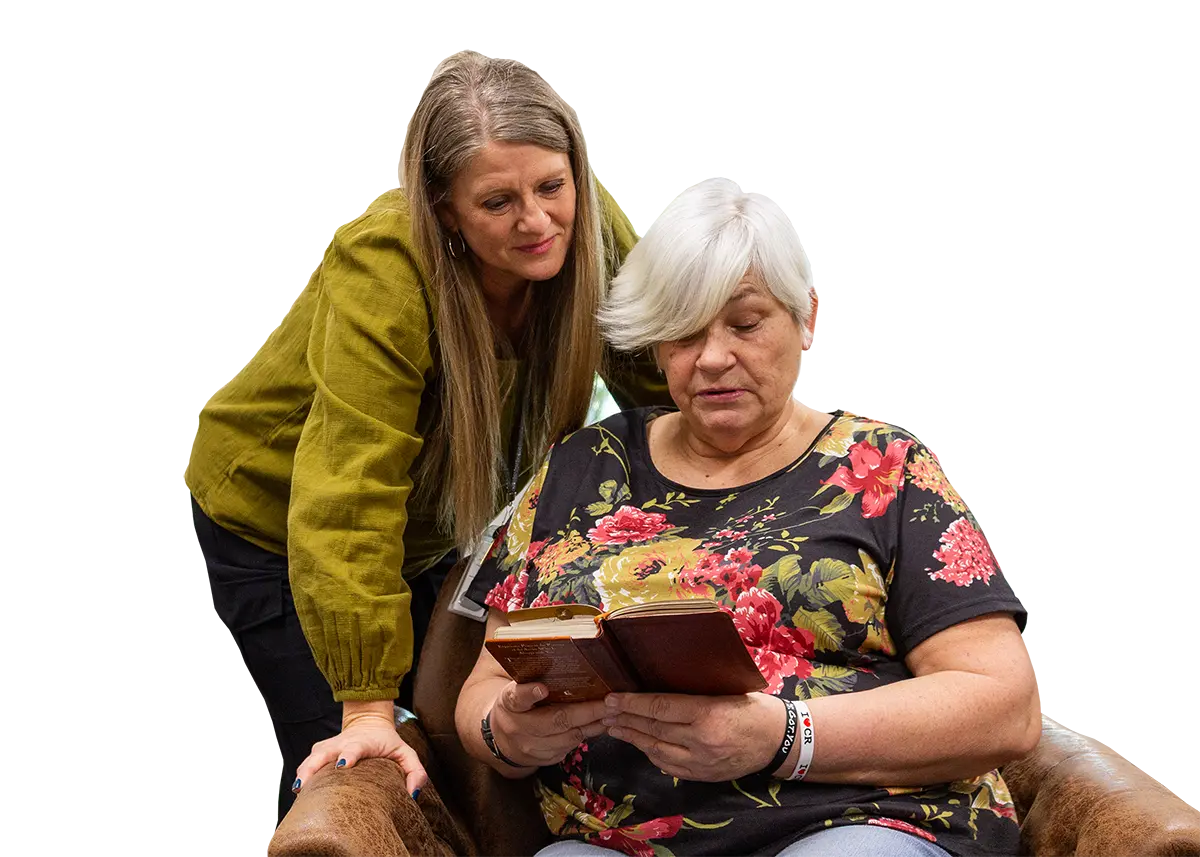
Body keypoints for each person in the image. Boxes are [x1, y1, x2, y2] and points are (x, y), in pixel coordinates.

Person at [456, 177, 1041, 857]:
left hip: (856, 822)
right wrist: (507, 733)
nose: (711, 358)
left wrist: (786, 737)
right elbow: (484, 687)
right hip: (617, 844)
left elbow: (1004, 705)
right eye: (683, 330)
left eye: (744, 323)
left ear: (805, 316)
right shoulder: (580, 467)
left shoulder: (885, 469)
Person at [184, 51, 669, 821]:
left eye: (551, 186)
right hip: (276, 528)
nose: (537, 220)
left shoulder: (579, 219)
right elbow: (351, 491)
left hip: (428, 526)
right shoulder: (385, 263)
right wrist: (367, 711)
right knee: (355, 774)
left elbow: (665, 368)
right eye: (497, 202)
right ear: (445, 209)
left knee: (472, 738)